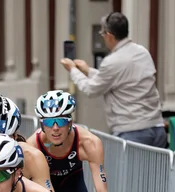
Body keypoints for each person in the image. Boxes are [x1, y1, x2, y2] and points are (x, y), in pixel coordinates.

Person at [61, 12, 166, 148]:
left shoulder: (112, 61)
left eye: (103, 34)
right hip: (157, 127)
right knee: (156, 170)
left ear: (109, 36)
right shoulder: (143, 52)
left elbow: (91, 89)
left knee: (130, 170)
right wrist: (87, 70)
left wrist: (73, 70)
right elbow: (119, 80)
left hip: (132, 131)